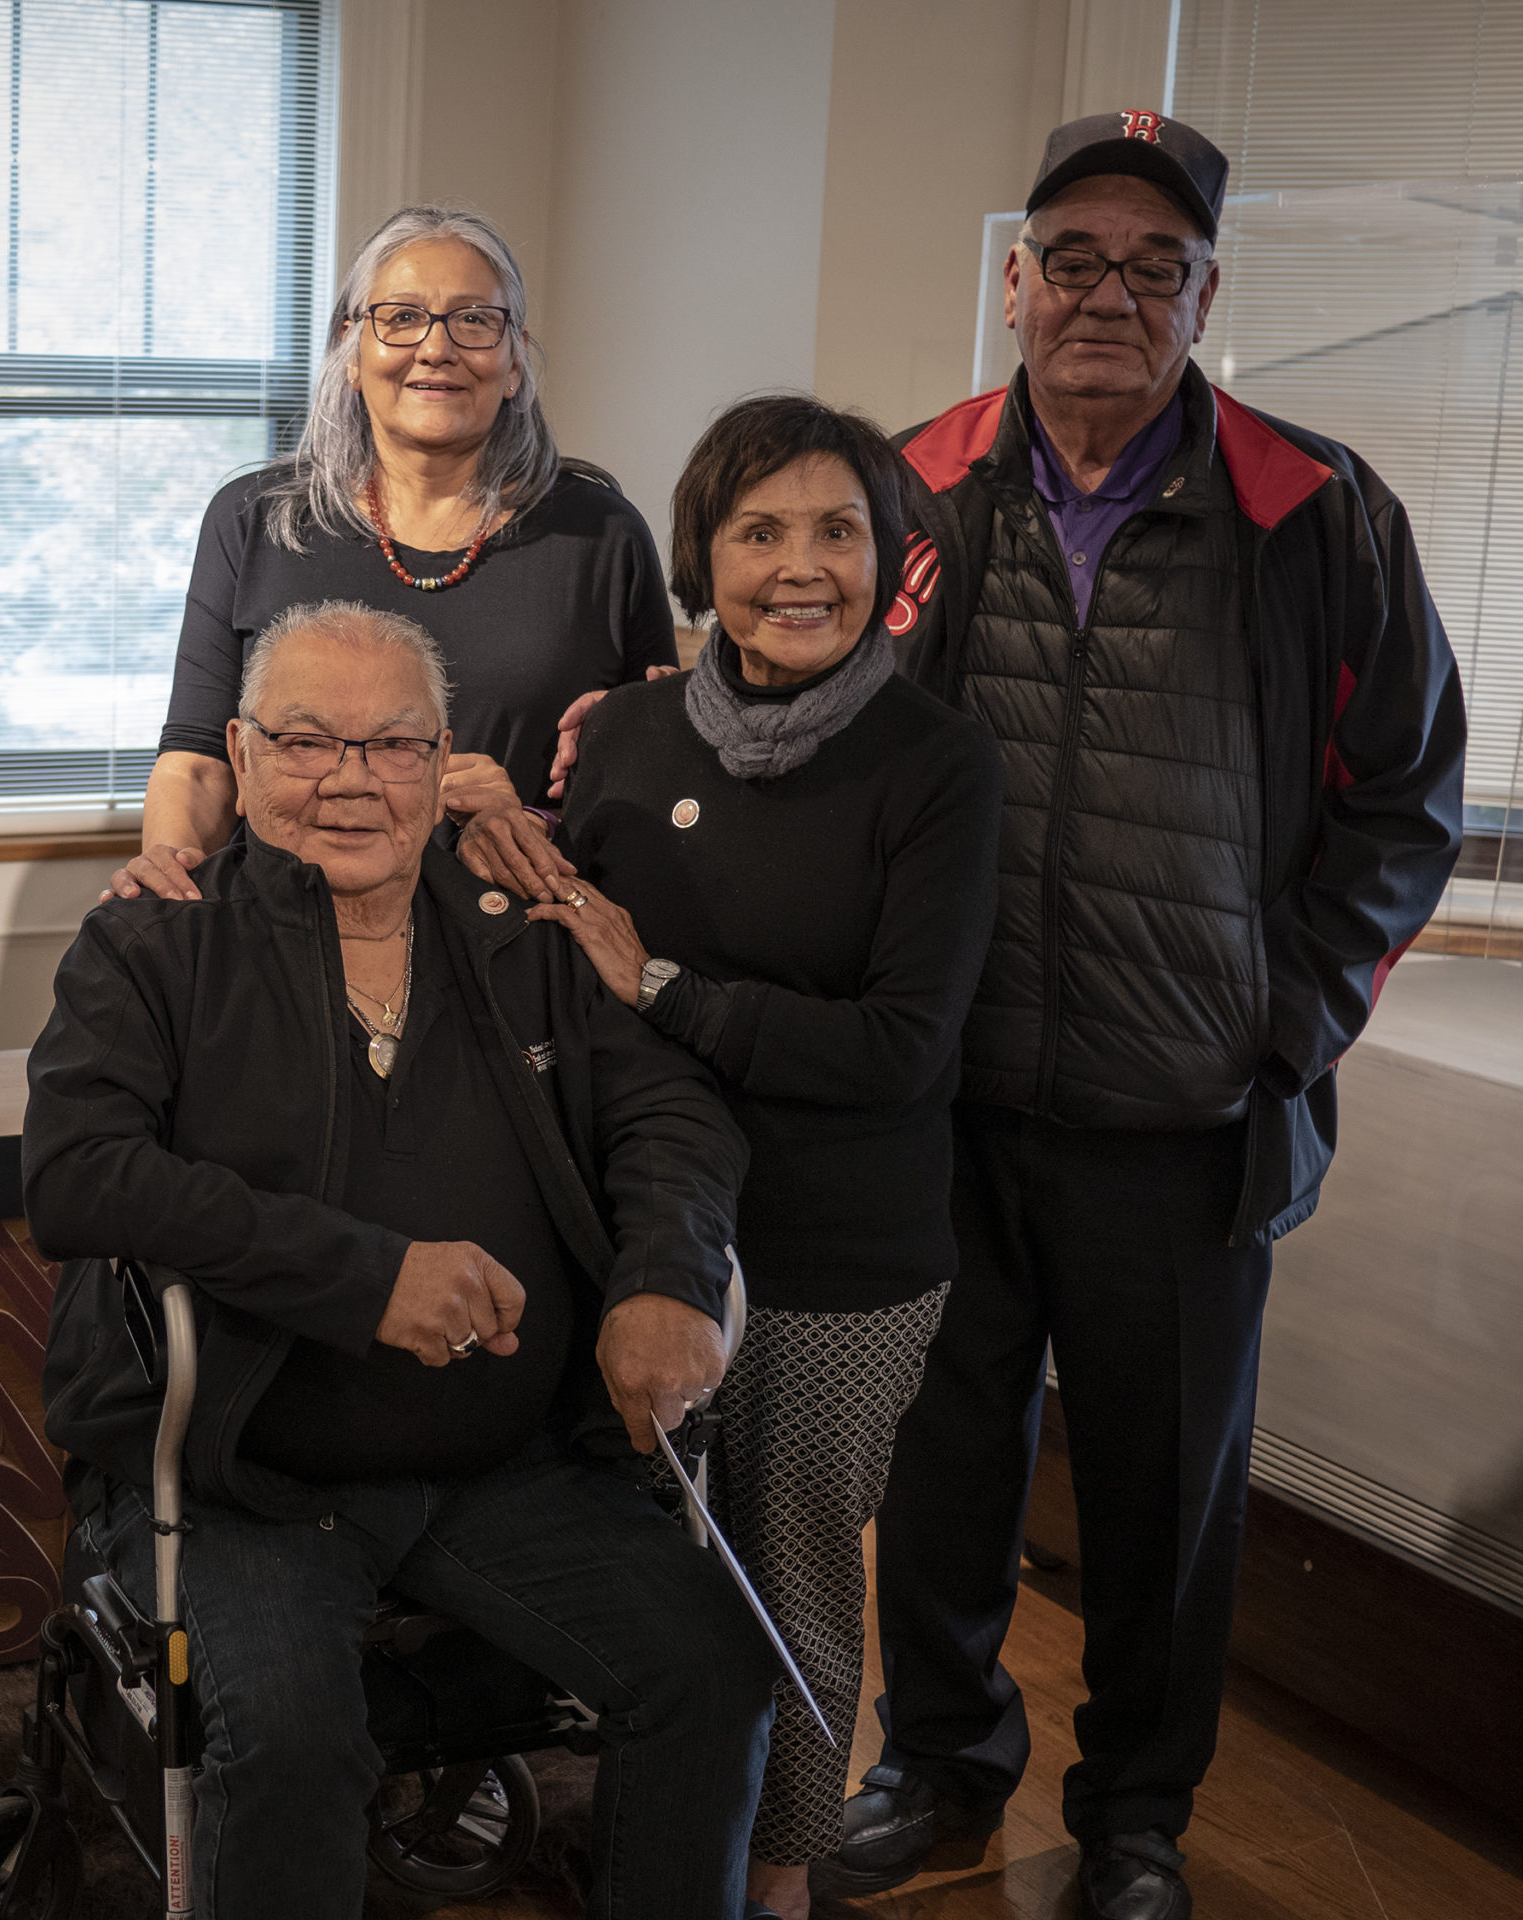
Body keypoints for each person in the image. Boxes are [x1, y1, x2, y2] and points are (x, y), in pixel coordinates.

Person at [820, 114, 1462, 1920]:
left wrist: (1290, 1018)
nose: (1110, 296)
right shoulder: (908, 485)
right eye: (1074, 259)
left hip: (1188, 1118)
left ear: (1205, 296)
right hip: (943, 1107)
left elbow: (1408, 800)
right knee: (942, 1469)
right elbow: (812, 732)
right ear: (1012, 282)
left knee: (1165, 1496)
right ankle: (938, 1762)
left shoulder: (1317, 510)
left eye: (1153, 266)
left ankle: (1139, 1817)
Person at [24, 599, 776, 1919]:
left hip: (502, 1460)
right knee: (297, 1743)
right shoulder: (155, 939)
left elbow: (671, 1111)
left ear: (444, 769)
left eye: (393, 746)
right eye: (309, 741)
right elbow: (78, 1173)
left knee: (714, 1666)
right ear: (242, 759)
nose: (352, 779)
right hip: (248, 1472)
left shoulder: (524, 926)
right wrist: (369, 1278)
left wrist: (663, 1277)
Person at [479, 393, 1002, 1920]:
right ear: (703, 556)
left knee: (788, 1589)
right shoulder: (627, 732)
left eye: (838, 530)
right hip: (643, 1231)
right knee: (650, 1583)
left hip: (840, 1260)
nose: (800, 564)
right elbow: (571, 969)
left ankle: (778, 1882)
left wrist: (666, 991)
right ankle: (665, 1854)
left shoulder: (938, 764)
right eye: (759, 529)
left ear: (885, 557)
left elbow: (902, 1048)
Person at [105, 204, 676, 904]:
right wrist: (173, 899)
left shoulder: (604, 537)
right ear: (351, 351)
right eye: (400, 317)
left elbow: (651, 787)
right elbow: (197, 766)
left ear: (516, 359)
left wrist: (530, 818)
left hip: (518, 936)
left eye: (474, 320)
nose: (436, 348)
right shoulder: (255, 520)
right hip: (284, 932)